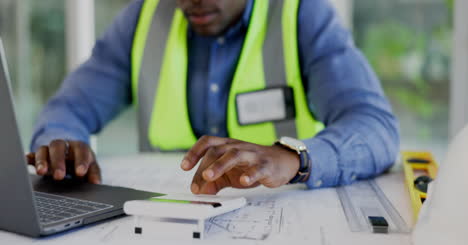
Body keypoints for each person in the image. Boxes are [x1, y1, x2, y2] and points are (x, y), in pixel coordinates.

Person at [27, 0, 400, 195]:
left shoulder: (302, 13)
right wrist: (58, 149)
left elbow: (375, 128)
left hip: (281, 218)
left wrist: (295, 158)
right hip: (163, 222)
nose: (193, 0)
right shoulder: (143, 17)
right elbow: (69, 109)